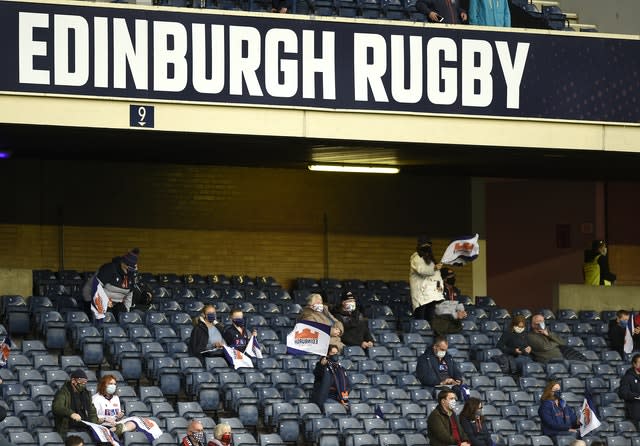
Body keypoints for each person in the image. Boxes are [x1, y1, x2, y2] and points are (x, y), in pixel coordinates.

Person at [84, 248, 140, 319]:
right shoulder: (109, 269)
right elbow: (95, 288)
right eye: (128, 269)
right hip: (103, 303)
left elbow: (129, 295)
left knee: (124, 315)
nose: (129, 271)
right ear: (123, 263)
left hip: (118, 306)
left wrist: (126, 312)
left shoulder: (131, 275)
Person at [52, 369, 99, 437]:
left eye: (85, 382)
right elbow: (57, 407)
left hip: (85, 427)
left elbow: (92, 412)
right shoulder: (63, 392)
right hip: (69, 428)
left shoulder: (86, 394)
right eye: (81, 381)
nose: (83, 384)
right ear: (73, 380)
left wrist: (93, 425)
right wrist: (71, 413)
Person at [410, 237, 444, 322]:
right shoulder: (416, 257)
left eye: (429, 245)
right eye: (425, 245)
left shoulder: (431, 260)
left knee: (431, 319)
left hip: (432, 295)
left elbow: (437, 277)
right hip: (421, 295)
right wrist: (434, 268)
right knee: (421, 319)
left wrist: (439, 287)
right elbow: (421, 270)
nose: (427, 247)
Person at [311, 344, 351, 408]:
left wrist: (343, 398)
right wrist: (321, 365)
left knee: (350, 407)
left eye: (336, 353)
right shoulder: (323, 367)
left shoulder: (340, 368)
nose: (335, 355)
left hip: (339, 396)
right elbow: (317, 374)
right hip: (326, 397)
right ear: (328, 354)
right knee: (339, 408)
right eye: (332, 353)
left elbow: (348, 385)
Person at [618, 353, 640, 429]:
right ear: (634, 364)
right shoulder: (627, 377)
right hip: (634, 414)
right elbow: (622, 393)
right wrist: (637, 396)